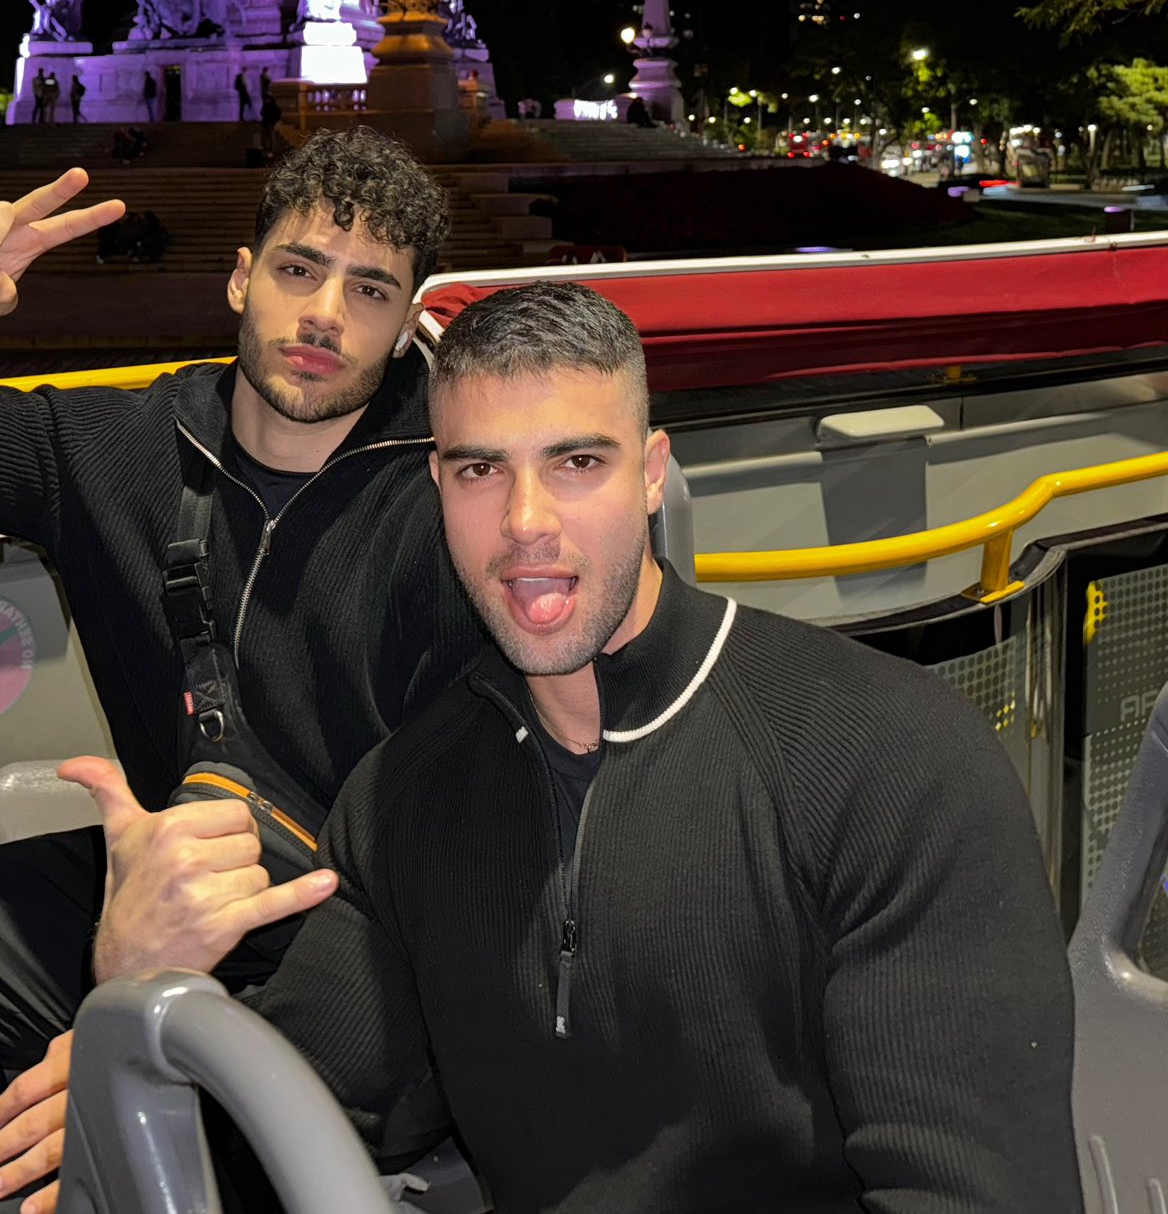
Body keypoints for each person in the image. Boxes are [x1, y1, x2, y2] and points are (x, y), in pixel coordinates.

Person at [68, 282, 1084, 1214]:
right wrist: (133, 986)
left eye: (577, 462)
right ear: (437, 485)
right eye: (480, 469)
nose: (526, 523)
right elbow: (286, 1121)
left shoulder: (888, 757)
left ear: (652, 475)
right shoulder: (402, 802)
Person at [0, 130, 479, 1214]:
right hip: (160, 886)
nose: (326, 314)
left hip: (362, 938)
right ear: (241, 278)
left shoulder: (458, 498)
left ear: (407, 317)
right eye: (299, 269)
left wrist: (130, 1050)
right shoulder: (118, 446)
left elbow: (466, 872)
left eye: (370, 289)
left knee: (63, 1167)